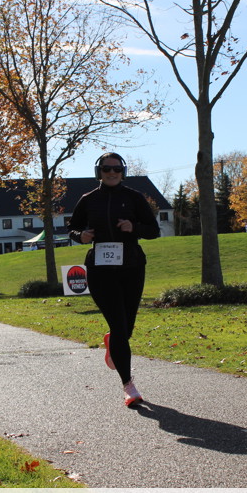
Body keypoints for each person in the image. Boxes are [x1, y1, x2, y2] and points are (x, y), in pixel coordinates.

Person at [68, 153, 160, 407]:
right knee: (119, 327)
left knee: (126, 327)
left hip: (131, 267)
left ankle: (113, 342)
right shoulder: (88, 199)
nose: (112, 173)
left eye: (117, 169)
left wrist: (134, 227)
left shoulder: (134, 198)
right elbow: (72, 228)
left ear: (123, 172)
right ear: (99, 171)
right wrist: (81, 236)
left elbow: (154, 230)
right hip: (100, 270)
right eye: (107, 169)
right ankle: (128, 385)